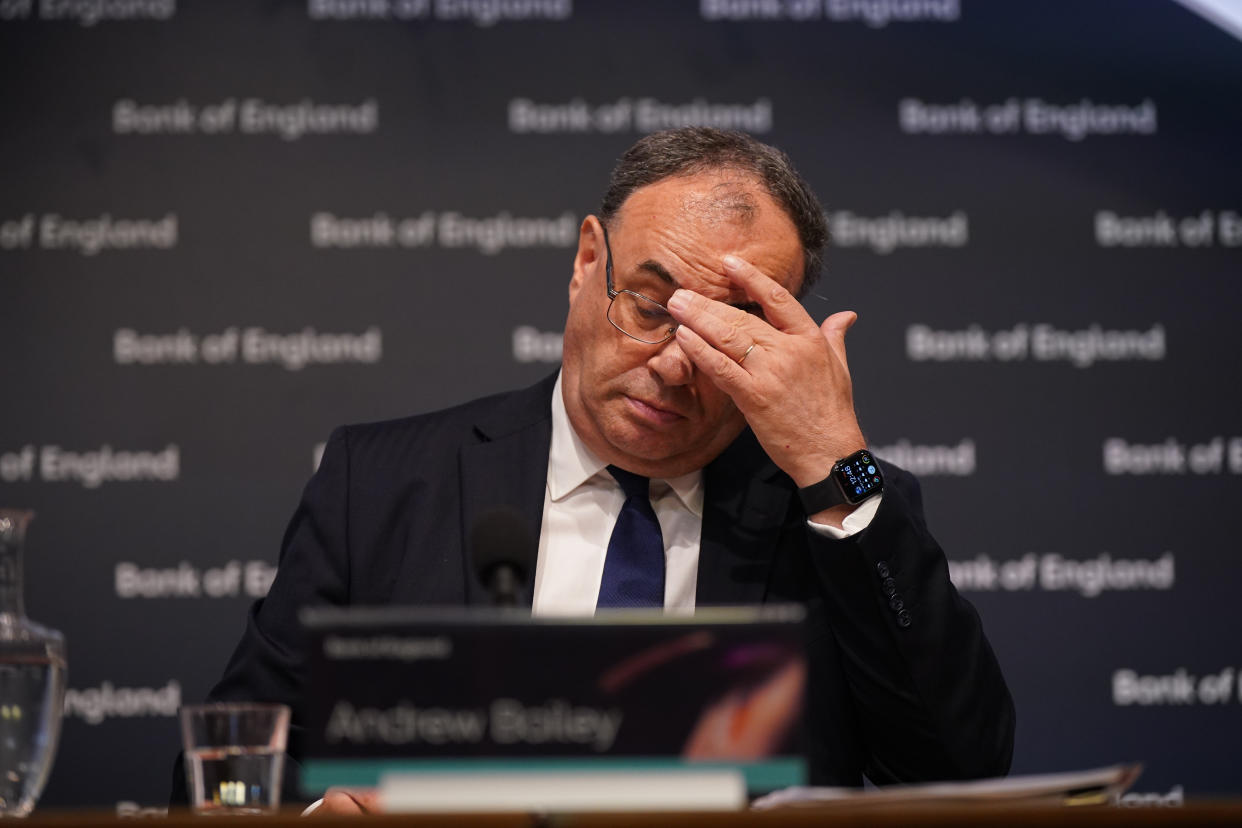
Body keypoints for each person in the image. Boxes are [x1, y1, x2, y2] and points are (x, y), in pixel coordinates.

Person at [173, 127, 1014, 813]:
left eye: (728, 337)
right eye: (649, 306)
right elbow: (225, 779)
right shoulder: (385, 484)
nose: (675, 365)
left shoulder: (834, 506)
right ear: (585, 262)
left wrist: (842, 467)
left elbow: (959, 769)